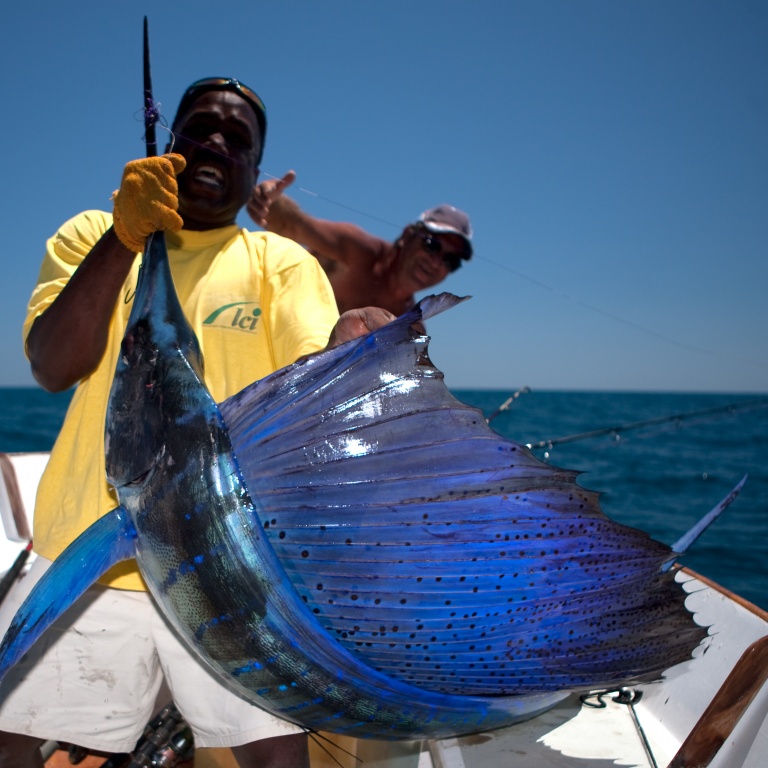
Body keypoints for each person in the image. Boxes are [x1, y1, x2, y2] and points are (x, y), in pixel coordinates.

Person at [0, 77, 392, 768]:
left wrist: (351, 356)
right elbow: (54, 365)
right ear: (168, 139)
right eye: (199, 127)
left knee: (278, 758)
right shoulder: (92, 235)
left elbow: (310, 396)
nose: (216, 142)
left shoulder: (281, 262)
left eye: (237, 139)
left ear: (256, 168)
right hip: (91, 559)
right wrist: (125, 236)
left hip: (234, 568)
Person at [248, 172, 473, 316]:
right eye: (432, 245)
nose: (436, 262)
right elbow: (293, 224)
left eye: (450, 260)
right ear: (407, 235)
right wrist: (266, 200)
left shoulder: (408, 325)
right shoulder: (357, 252)